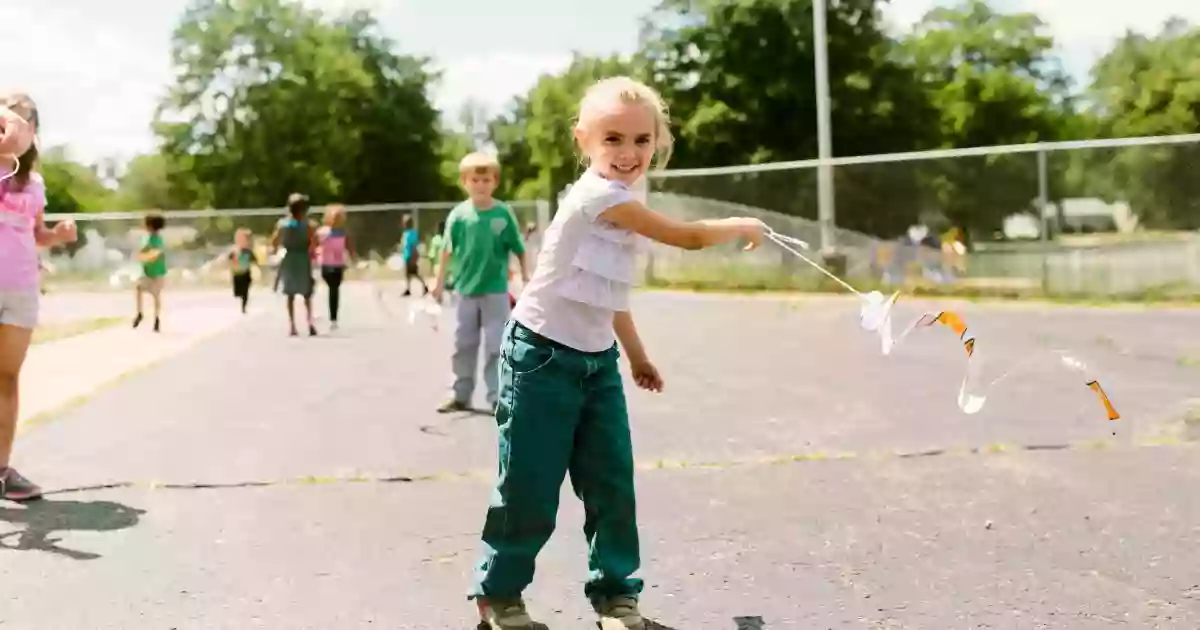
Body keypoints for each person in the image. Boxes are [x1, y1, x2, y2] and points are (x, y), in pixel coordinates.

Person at [466, 76, 765, 630]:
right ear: (583, 140)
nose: (628, 154)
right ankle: (499, 597)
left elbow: (607, 287)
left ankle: (617, 600)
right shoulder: (598, 196)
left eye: (641, 140)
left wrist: (635, 354)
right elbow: (688, 237)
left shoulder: (630, 193)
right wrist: (741, 225)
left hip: (596, 360)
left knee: (611, 484)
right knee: (530, 484)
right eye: (612, 139)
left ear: (658, 141)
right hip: (541, 356)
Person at [0, 93, 77, 502]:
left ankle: (1, 471)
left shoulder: (34, 184)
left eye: (23, 118)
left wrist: (57, 236)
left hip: (20, 288)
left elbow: (34, 234)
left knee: (7, 379)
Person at [432, 152, 528, 414]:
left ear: (494, 182)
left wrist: (526, 276)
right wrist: (439, 283)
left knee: (497, 346)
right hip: (465, 291)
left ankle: (499, 396)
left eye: (486, 179)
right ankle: (459, 393)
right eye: (475, 179)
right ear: (465, 182)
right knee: (463, 344)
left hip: (495, 291)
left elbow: (518, 247)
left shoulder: (502, 213)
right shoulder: (460, 215)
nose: (480, 185)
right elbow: (446, 251)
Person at [271, 193, 318, 337]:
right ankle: (309, 322)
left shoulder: (282, 224)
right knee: (306, 293)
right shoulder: (308, 225)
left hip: (289, 258)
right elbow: (314, 243)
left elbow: (274, 242)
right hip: (303, 257)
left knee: (290, 294)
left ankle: (292, 325)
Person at [316, 204, 354, 330]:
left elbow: (349, 248)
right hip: (325, 264)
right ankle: (319, 312)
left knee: (334, 290)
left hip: (338, 265)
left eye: (339, 218)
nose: (336, 220)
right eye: (334, 217)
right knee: (330, 287)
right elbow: (314, 244)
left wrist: (353, 260)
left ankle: (333, 317)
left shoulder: (344, 233)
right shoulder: (322, 232)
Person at [133, 212, 167, 332]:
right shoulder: (145, 238)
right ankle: (139, 313)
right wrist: (141, 255)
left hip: (157, 272)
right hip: (146, 271)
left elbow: (156, 252)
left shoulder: (157, 239)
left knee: (156, 295)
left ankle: (157, 318)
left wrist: (146, 257)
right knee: (138, 288)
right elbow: (142, 250)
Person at [225, 227, 260, 314]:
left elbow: (254, 260)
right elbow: (228, 259)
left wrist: (257, 266)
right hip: (237, 273)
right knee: (237, 292)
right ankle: (241, 296)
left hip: (245, 273)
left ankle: (244, 307)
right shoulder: (234, 250)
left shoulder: (248, 251)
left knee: (245, 291)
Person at [400, 214, 428, 296]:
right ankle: (408, 289)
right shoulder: (406, 233)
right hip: (406, 255)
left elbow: (414, 245)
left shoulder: (412, 233)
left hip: (410, 255)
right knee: (407, 273)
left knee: (414, 273)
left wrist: (413, 257)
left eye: (405, 222)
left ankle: (425, 286)